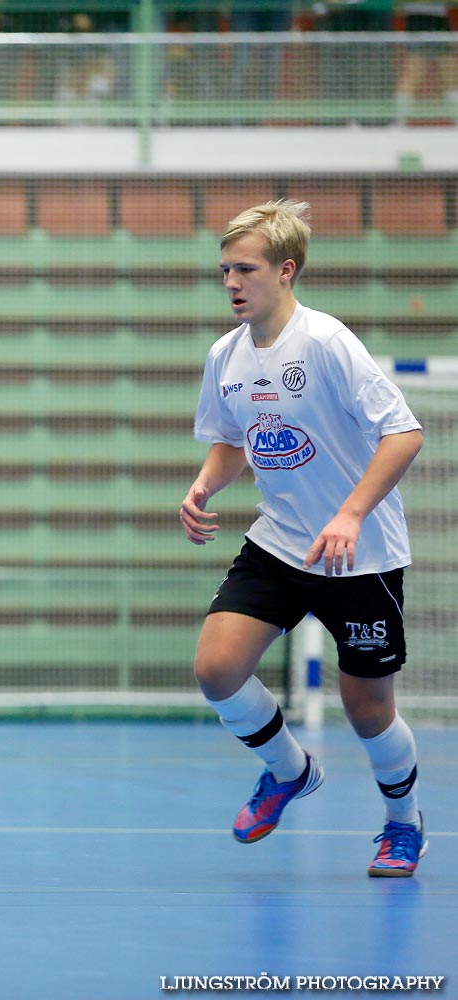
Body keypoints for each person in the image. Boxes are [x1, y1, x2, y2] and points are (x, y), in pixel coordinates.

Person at [181, 199, 428, 876]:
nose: (232, 282)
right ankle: (288, 771)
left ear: (286, 271)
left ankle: (402, 824)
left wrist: (350, 513)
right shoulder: (225, 356)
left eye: (246, 269)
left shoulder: (325, 343)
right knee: (216, 668)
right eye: (225, 270)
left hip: (360, 552)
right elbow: (233, 442)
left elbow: (404, 433)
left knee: (368, 710)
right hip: (282, 541)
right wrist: (205, 485)